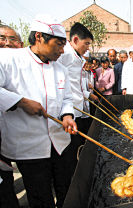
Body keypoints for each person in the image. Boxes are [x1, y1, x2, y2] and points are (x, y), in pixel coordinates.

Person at [0, 14, 77, 208]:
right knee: (40, 196)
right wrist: (21, 101)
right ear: (39, 38)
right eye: (58, 44)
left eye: (63, 45)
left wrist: (67, 115)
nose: (62, 50)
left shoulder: (61, 69)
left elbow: (67, 98)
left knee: (67, 189)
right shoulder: (9, 59)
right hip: (29, 147)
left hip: (60, 143)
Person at [57, 22, 99, 180]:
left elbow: (76, 85)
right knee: (72, 149)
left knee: (79, 145)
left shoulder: (77, 56)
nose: (88, 47)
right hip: (70, 111)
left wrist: (87, 96)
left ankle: (80, 171)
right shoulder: (64, 54)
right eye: (86, 43)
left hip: (78, 108)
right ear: (74, 40)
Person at [0, 24, 24, 208]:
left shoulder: (22, 66)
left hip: (16, 134)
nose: (7, 44)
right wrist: (21, 102)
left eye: (12, 39)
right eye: (2, 38)